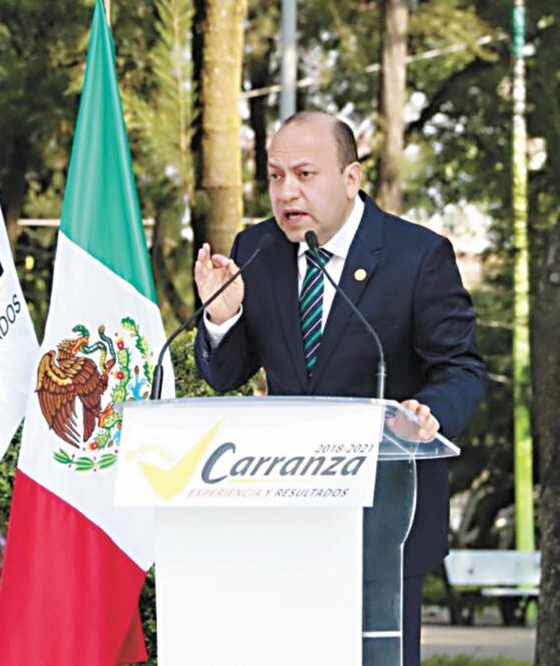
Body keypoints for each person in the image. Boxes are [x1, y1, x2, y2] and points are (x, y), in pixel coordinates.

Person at [193, 111, 487, 665]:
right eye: (276, 176)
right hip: (286, 512)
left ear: (351, 178)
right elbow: (224, 374)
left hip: (386, 516)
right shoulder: (256, 248)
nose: (287, 191)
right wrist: (221, 319)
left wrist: (428, 412)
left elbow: (461, 368)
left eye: (305, 173)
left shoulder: (416, 256)